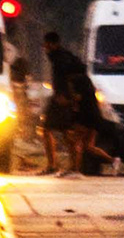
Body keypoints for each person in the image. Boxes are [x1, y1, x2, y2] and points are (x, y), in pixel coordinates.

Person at [42, 30, 116, 177]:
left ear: (50, 44)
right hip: (71, 103)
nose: (44, 47)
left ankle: (69, 168)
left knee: (70, 136)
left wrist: (67, 97)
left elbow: (66, 81)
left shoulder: (62, 60)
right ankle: (71, 167)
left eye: (46, 44)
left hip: (65, 102)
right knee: (73, 138)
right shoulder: (66, 59)